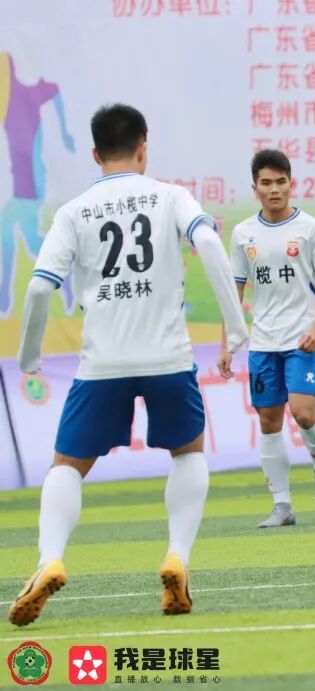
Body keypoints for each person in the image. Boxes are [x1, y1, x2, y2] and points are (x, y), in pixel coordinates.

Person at [9, 104, 248, 626]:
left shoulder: (74, 212)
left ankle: (50, 559)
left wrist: (29, 357)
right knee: (188, 452)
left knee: (67, 466)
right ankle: (177, 557)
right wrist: (235, 327)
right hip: (168, 357)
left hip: (102, 363)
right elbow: (208, 240)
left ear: (95, 154)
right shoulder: (171, 196)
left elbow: (39, 287)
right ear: (144, 146)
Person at [218, 150, 315, 528]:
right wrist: (227, 344)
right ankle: (282, 505)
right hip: (263, 342)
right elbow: (234, 291)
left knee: (303, 413)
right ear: (254, 188)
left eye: (281, 182)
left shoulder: (310, 229)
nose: (274, 190)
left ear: (291, 184)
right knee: (268, 420)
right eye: (266, 183)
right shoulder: (243, 234)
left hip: (302, 339)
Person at [1, 51, 77, 316]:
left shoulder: (22, 95)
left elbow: (54, 90)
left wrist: (65, 131)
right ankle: (65, 276)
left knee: (4, 225)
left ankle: (4, 294)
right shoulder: (6, 104)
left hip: (32, 183)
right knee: (33, 241)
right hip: (23, 181)